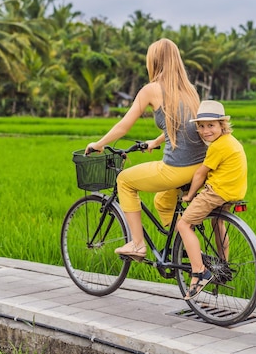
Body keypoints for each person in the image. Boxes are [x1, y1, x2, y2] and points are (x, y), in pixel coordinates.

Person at [85, 38, 207, 260]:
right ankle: (185, 247)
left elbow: (123, 125)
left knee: (124, 180)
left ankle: (137, 245)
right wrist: (157, 141)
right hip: (200, 167)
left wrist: (99, 144)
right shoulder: (191, 91)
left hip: (176, 168)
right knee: (162, 201)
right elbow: (182, 127)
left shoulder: (151, 90)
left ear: (154, 62)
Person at [176, 100, 247, 300]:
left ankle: (199, 273)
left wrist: (190, 195)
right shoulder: (230, 141)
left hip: (217, 192)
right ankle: (223, 264)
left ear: (222, 126)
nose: (205, 131)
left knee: (183, 224)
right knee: (217, 222)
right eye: (201, 126)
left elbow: (200, 173)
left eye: (211, 125)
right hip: (233, 192)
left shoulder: (218, 146)